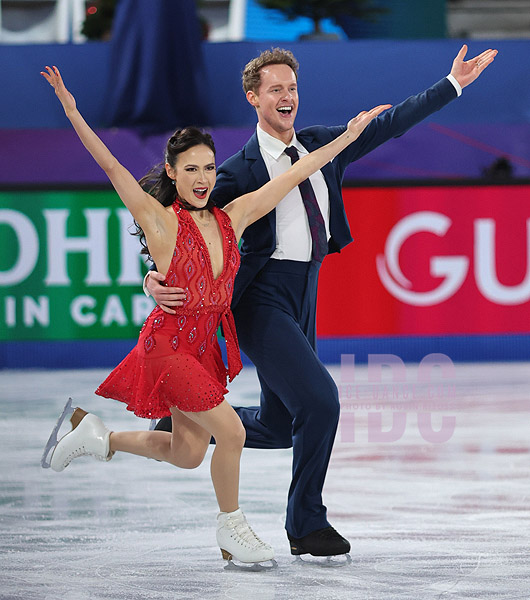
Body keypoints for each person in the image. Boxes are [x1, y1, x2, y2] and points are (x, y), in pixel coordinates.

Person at [146, 45, 498, 558]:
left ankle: (193, 417)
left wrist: (452, 84)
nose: (287, 97)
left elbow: (390, 124)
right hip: (258, 299)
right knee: (321, 402)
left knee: (282, 424)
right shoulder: (238, 173)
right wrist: (152, 278)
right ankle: (306, 524)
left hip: (304, 289)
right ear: (253, 97)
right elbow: (180, 231)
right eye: (275, 89)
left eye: (292, 88)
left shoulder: (321, 145)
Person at [40, 65, 390, 565]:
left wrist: (347, 139)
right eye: (191, 170)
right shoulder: (160, 222)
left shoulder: (234, 216)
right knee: (233, 433)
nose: (203, 178)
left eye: (208, 168)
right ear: (173, 175)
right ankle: (233, 531)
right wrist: (73, 111)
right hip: (167, 348)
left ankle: (98, 437)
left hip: (202, 352)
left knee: (187, 453)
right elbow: (112, 167)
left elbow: (295, 172)